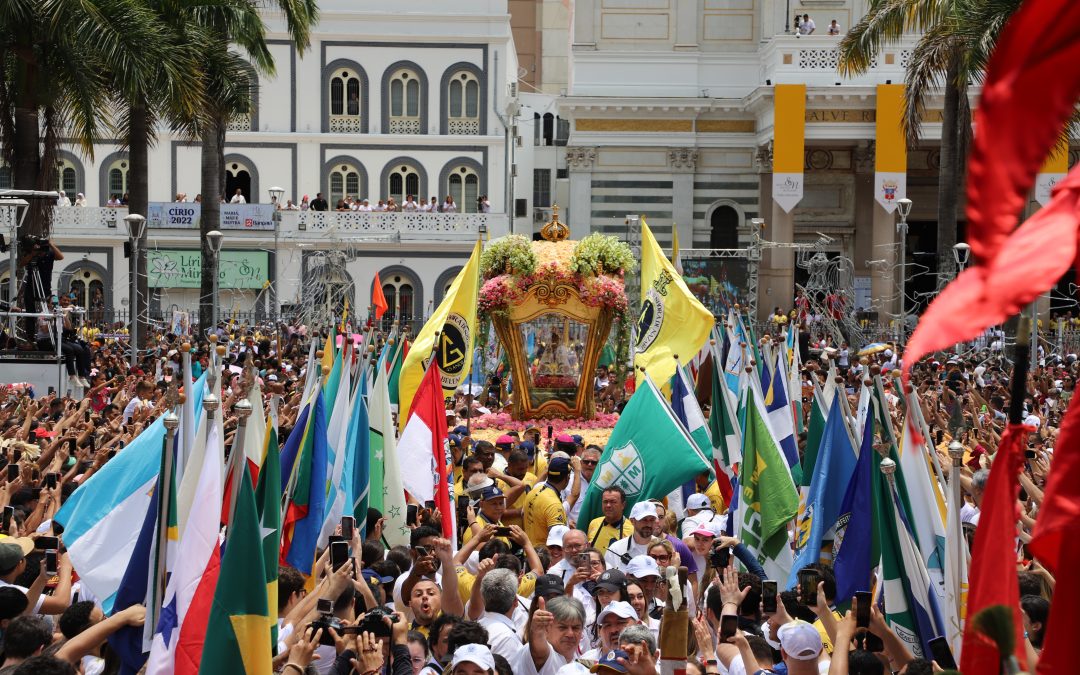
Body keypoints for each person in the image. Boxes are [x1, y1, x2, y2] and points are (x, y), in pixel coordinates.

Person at [523, 457, 571, 545]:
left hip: (529, 552)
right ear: (567, 478)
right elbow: (557, 542)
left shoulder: (534, 490)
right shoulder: (554, 505)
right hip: (543, 556)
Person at [604, 502, 660, 572]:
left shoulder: (664, 548)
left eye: (652, 520)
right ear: (632, 521)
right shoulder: (616, 549)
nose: (648, 524)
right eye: (644, 520)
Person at [585, 486, 633, 556]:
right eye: (605, 501)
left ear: (623, 505)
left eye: (613, 502)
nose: (608, 505)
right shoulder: (594, 523)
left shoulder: (632, 530)